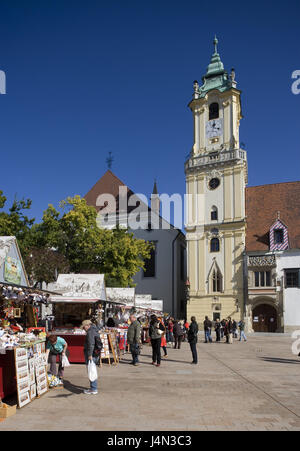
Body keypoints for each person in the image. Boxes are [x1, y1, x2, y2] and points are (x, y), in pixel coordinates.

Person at [81, 319, 102, 395]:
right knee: (92, 370)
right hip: (96, 353)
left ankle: (93, 388)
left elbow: (91, 344)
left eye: (84, 327)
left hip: (91, 354)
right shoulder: (95, 330)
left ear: (88, 325)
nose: (84, 329)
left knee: (91, 370)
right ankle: (93, 387)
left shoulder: (90, 332)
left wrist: (89, 355)